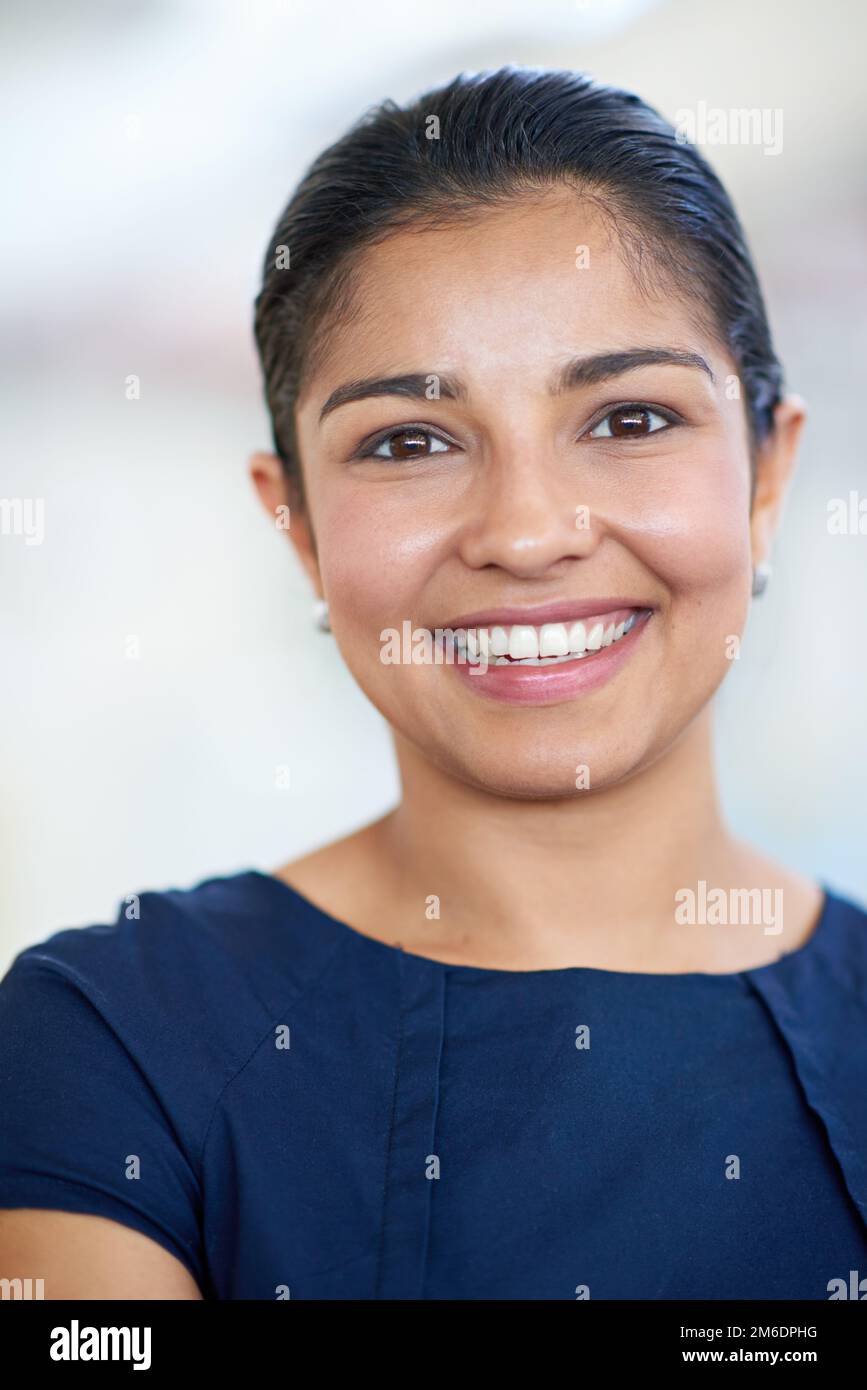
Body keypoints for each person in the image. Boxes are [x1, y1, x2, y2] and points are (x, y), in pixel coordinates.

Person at [2, 66, 866, 1301]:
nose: (525, 531)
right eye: (409, 441)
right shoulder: (113, 1038)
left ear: (767, 479)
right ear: (295, 522)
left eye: (627, 419)